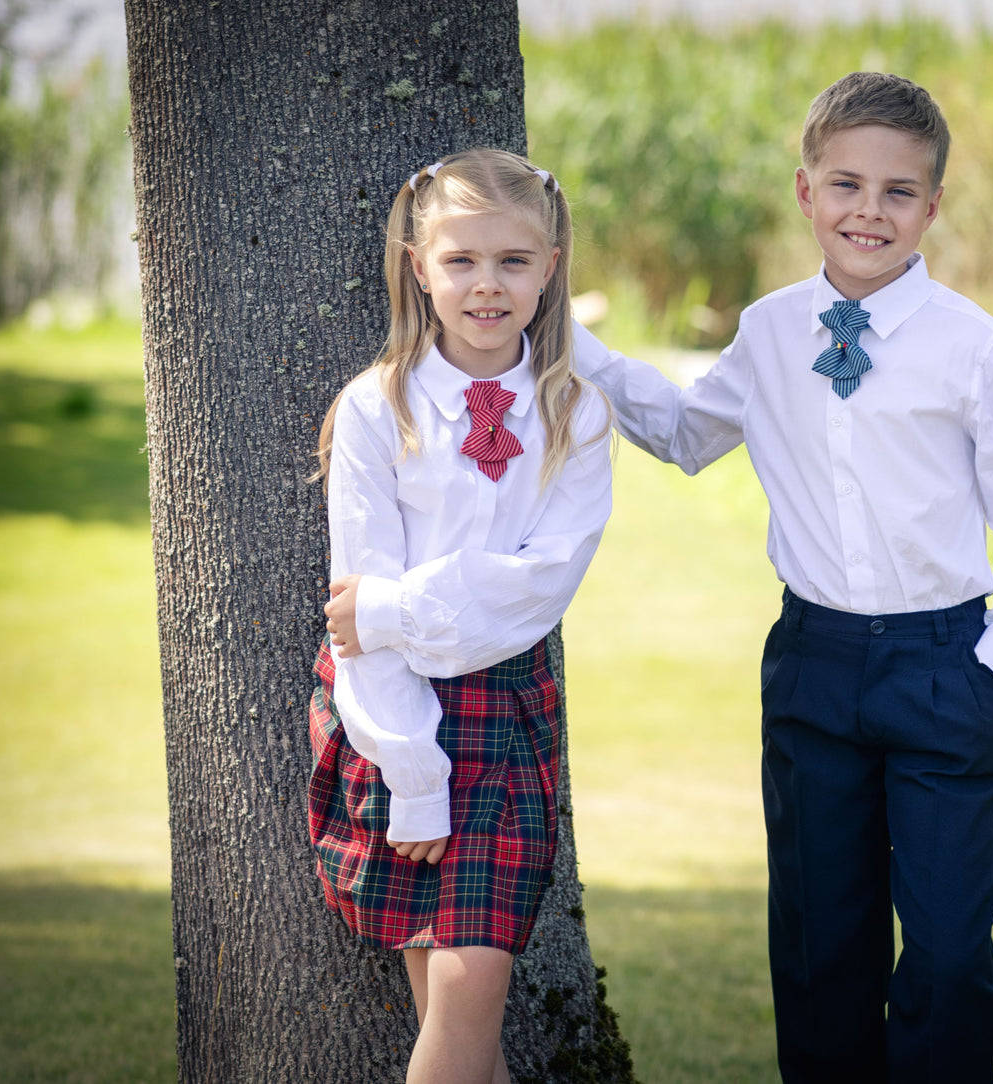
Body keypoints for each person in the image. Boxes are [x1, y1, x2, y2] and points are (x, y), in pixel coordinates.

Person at [573, 72, 993, 1082]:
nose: (868, 210)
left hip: (944, 669)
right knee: (817, 949)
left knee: (944, 954)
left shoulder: (972, 348)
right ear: (805, 191)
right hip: (811, 665)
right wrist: (562, 340)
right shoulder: (767, 332)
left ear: (931, 206)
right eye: (844, 183)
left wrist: (990, 672)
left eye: (898, 192)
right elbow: (681, 433)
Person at [307, 148, 612, 1084]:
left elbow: (534, 590)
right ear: (418, 265)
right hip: (391, 722)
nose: (488, 285)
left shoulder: (576, 416)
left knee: (469, 991)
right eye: (461, 261)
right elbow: (357, 622)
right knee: (459, 1026)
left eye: (513, 262)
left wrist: (395, 606)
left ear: (550, 267)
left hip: (509, 716)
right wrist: (414, 773)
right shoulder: (374, 409)